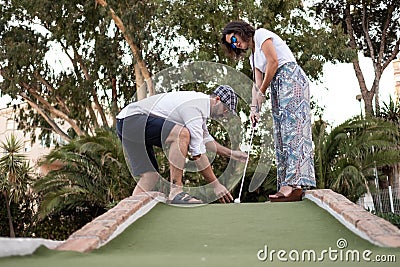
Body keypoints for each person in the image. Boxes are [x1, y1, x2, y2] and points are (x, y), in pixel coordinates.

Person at [221, 20, 316, 202]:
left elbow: (273, 62)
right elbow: (256, 85)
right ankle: (287, 184)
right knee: (280, 133)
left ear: (240, 31)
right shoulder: (253, 57)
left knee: (292, 130)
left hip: (290, 79)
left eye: (234, 39)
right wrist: (254, 109)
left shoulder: (261, 34)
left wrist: (263, 91)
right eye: (232, 44)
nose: (236, 44)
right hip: (277, 86)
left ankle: (295, 184)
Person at [116, 85, 247, 204]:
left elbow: (206, 140)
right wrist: (216, 185)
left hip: (125, 122)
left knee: (150, 176)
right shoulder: (195, 107)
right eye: (226, 109)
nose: (225, 114)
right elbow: (197, 154)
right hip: (132, 119)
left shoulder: (200, 108)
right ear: (217, 100)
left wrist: (231, 154)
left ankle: (128, 209)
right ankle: (175, 191)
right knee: (182, 134)